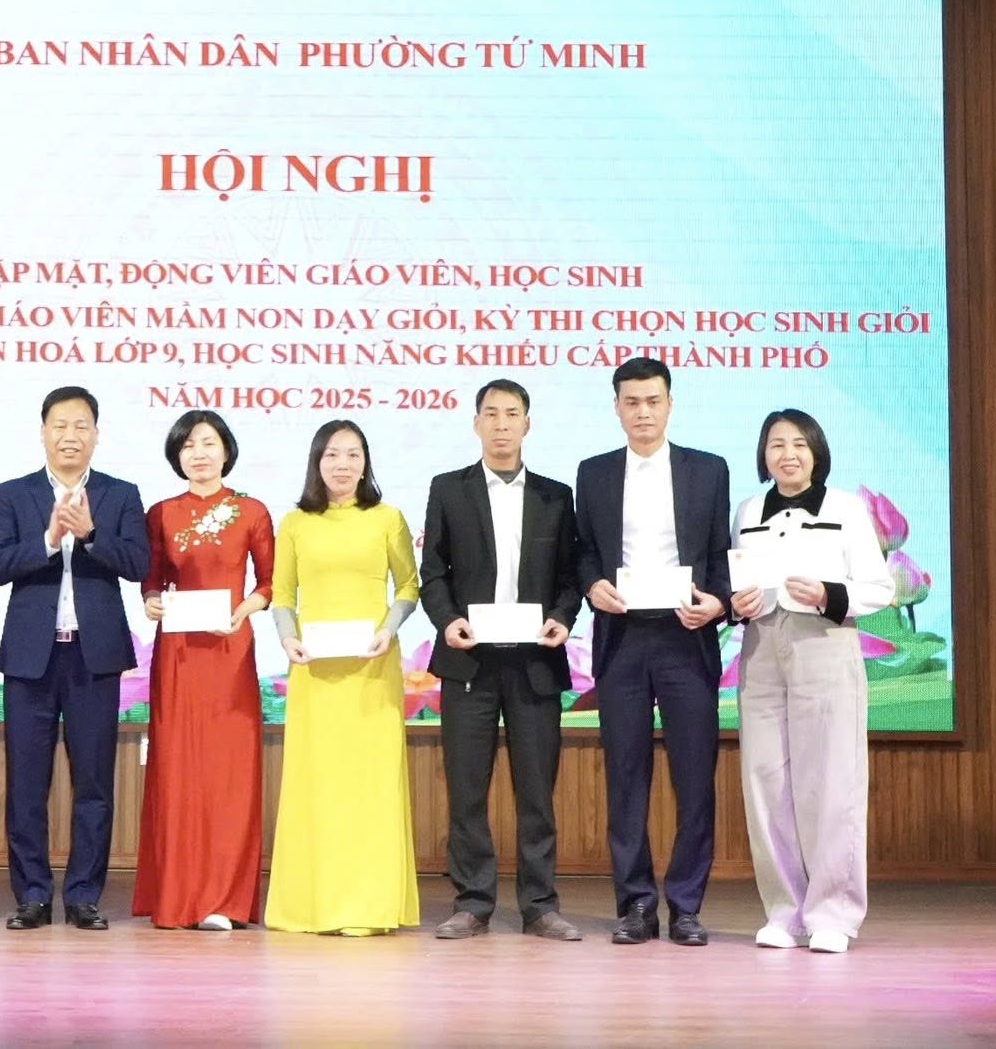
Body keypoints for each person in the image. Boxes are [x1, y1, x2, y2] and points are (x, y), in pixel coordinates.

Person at [418, 379, 583, 940]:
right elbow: (433, 572)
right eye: (491, 414)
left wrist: (562, 616)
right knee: (467, 790)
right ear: (476, 423)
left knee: (536, 791)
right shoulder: (449, 488)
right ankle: (472, 902)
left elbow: (570, 577)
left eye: (512, 413)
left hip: (535, 661)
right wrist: (448, 621)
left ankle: (540, 905)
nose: (502, 424)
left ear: (527, 424)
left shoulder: (556, 496)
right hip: (469, 661)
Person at [574, 358, 731, 947]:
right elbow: (584, 551)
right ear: (616, 407)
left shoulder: (707, 470)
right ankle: (636, 904)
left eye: (653, 401)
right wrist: (592, 586)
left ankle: (686, 906)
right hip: (622, 638)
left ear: (670, 404)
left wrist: (717, 603)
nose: (643, 412)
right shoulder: (594, 473)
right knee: (626, 776)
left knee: (694, 777)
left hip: (686, 637)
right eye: (632, 402)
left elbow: (720, 552)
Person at [0, 386, 150, 931]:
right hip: (31, 658)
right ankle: (32, 895)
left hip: (93, 657)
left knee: (94, 782)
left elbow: (139, 563)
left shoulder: (120, 494)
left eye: (81, 425)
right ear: (43, 433)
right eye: (60, 425)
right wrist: (50, 540)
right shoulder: (13, 494)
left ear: (96, 435)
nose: (70, 436)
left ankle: (83, 896)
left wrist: (92, 534)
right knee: (27, 783)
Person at [730, 409, 893, 954]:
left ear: (817, 451)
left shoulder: (845, 509)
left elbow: (879, 587)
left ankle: (833, 914)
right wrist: (736, 603)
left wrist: (828, 594)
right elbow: (737, 581)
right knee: (766, 781)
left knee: (832, 780)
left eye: (799, 443)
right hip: (762, 648)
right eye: (776, 444)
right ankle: (784, 911)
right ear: (763, 454)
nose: (788, 454)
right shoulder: (748, 510)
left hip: (824, 642)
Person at [264, 419, 421, 936]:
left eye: (353, 454)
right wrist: (288, 639)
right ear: (317, 461)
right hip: (314, 672)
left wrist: (388, 629)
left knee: (369, 787)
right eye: (332, 454)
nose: (343, 464)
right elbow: (282, 594)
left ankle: (370, 907)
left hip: (372, 669)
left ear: (366, 462)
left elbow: (409, 587)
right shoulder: (295, 523)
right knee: (319, 786)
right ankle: (312, 906)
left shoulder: (387, 518)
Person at [134, 410, 274, 931]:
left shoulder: (251, 511)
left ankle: (225, 900)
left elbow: (271, 582)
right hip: (178, 657)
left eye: (208, 443)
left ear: (226, 450)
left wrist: (244, 609)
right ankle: (179, 897)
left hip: (229, 653)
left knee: (230, 776)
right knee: (179, 773)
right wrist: (151, 599)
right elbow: (151, 579)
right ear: (177, 455)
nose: (199, 453)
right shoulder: (161, 513)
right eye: (188, 445)